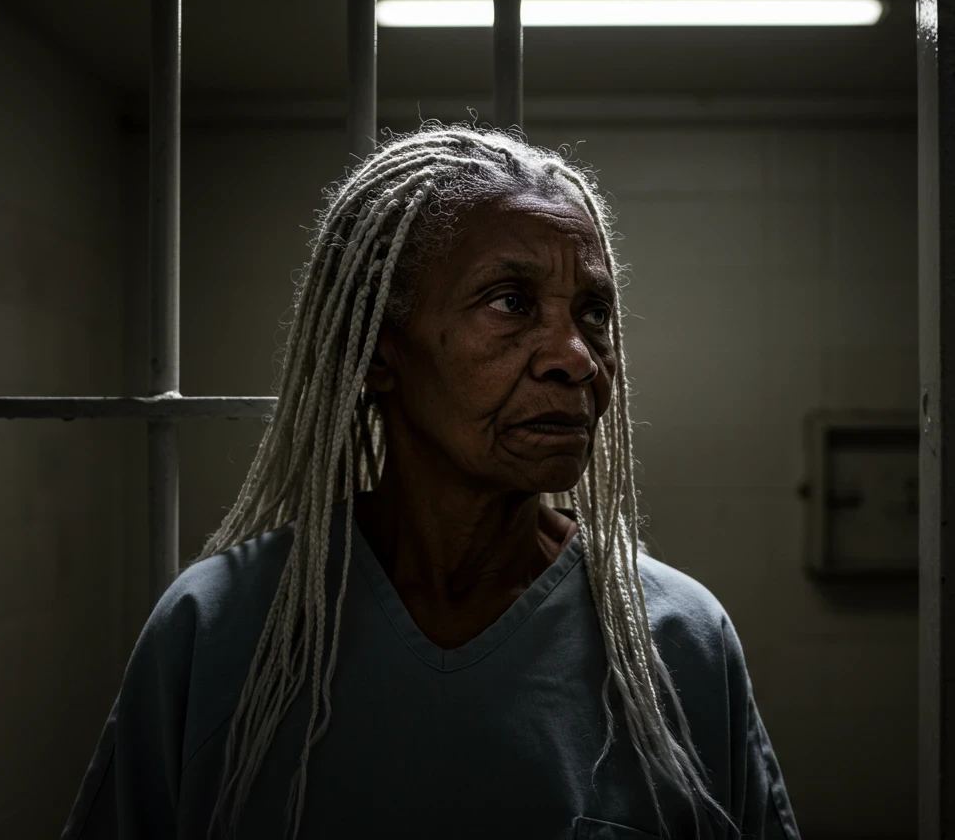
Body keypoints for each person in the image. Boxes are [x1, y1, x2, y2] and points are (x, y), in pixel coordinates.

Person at [61, 124, 801, 840]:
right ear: (381, 354)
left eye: (593, 312)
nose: (576, 357)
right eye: (511, 302)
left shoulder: (677, 639)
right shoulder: (218, 629)